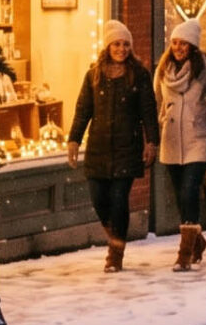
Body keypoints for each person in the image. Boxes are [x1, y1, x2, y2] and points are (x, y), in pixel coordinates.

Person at [67, 20, 157, 273]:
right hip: (98, 148)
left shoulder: (139, 75)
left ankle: (116, 251)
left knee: (119, 200)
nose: (121, 49)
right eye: (117, 44)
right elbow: (83, 110)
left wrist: (151, 142)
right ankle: (115, 236)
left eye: (126, 44)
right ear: (108, 46)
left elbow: (148, 111)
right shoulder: (93, 75)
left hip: (127, 148)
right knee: (99, 199)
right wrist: (74, 139)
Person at [155, 17, 206, 272]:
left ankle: (184, 253)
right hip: (171, 138)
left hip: (198, 137)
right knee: (180, 193)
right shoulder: (163, 72)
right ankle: (197, 240)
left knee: (190, 189)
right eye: (175, 43)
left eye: (184, 44)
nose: (179, 48)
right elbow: (157, 100)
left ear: (193, 47)